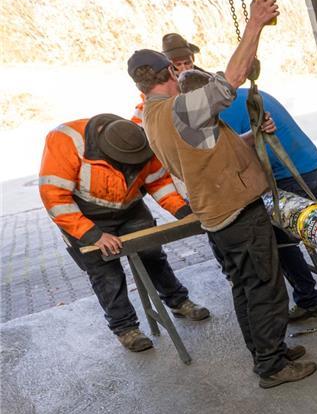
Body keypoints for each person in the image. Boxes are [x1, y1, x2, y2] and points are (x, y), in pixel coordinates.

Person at [128, 0, 317, 389]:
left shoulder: (152, 117)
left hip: (218, 216)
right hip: (236, 212)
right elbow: (230, 81)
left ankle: (270, 352)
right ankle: (271, 366)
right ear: (168, 72)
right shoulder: (178, 108)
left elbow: (206, 151)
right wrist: (254, 24)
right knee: (265, 287)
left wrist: (250, 135)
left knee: (247, 287)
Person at [168, 32, 317, 322]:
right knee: (313, 220)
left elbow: (229, 159)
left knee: (278, 241)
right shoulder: (244, 95)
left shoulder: (219, 115)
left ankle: (309, 298)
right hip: (312, 166)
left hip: (289, 177)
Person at [39, 114, 210, 352]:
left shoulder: (138, 139)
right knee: (106, 274)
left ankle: (179, 301)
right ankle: (126, 328)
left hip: (130, 208)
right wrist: (93, 235)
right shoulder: (66, 141)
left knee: (152, 254)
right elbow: (55, 199)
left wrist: (183, 212)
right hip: (84, 216)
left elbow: (158, 182)